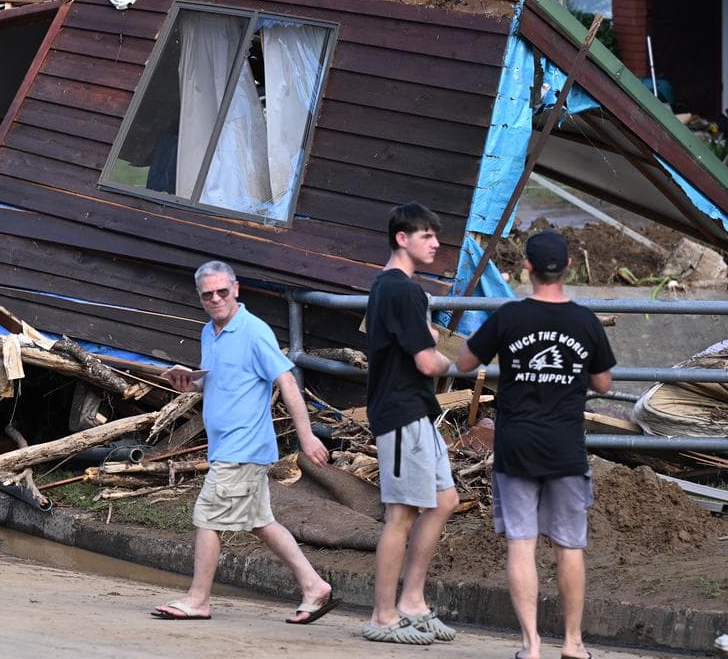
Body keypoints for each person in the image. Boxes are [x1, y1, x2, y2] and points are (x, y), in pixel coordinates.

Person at [151, 260, 340, 624]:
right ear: (200, 298)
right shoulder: (210, 332)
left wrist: (306, 437)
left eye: (223, 291)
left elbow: (286, 380)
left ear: (236, 289)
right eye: (208, 294)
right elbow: (216, 380)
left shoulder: (254, 331)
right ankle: (314, 585)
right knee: (260, 520)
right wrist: (189, 381)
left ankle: (198, 599)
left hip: (243, 448)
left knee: (207, 517)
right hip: (226, 446)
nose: (216, 299)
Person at [456, 230, 615, 659]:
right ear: (567, 268)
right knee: (569, 546)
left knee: (521, 545)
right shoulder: (584, 321)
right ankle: (573, 643)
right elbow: (603, 382)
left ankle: (531, 645)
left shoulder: (509, 317)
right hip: (565, 448)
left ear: (526, 268)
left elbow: (466, 361)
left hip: (516, 447)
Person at [363, 202, 459, 645]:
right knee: (401, 514)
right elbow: (426, 361)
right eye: (427, 236)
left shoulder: (396, 290)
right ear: (402, 238)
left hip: (417, 413)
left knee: (444, 501)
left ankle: (413, 601)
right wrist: (449, 360)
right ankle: (382, 615)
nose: (436, 244)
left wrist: (431, 340)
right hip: (401, 413)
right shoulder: (400, 290)